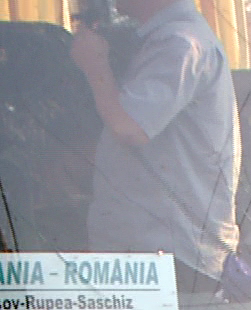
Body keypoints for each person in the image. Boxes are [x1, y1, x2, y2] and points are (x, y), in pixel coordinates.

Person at [69, 0, 239, 293]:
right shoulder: (163, 39)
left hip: (169, 258)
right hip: (152, 254)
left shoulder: (180, 42)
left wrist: (96, 68)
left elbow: (130, 127)